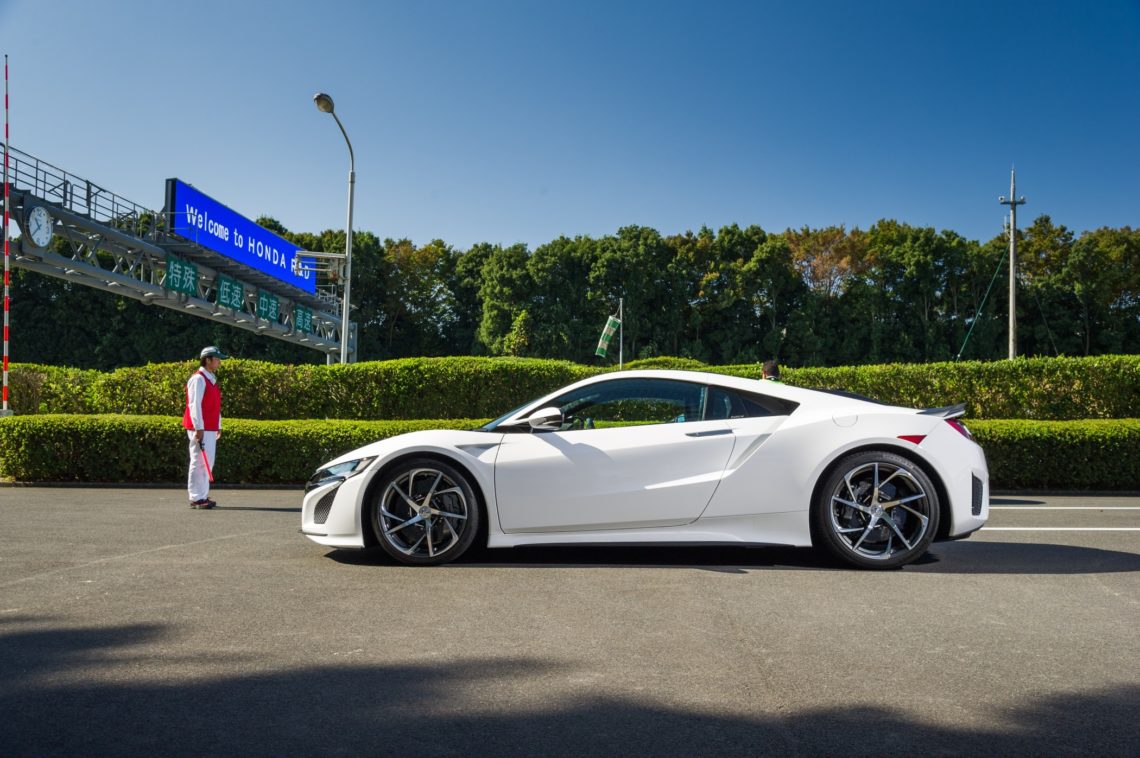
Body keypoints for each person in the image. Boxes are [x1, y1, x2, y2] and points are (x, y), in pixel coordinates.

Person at [183, 346, 228, 509]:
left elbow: (215, 406)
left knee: (207, 461)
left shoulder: (210, 379)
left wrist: (218, 425)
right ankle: (196, 497)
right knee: (198, 461)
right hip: (201, 428)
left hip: (209, 427)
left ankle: (202, 495)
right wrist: (198, 428)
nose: (219, 362)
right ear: (207, 360)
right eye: (217, 359)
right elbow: (194, 405)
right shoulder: (198, 379)